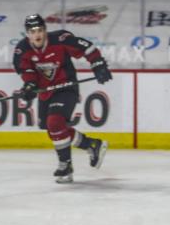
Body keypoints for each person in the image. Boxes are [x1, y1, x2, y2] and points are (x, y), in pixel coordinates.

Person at [13, 14, 112, 183]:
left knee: (55, 122)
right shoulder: (22, 50)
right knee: (53, 130)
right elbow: (26, 70)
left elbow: (86, 47)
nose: (37, 34)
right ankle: (91, 145)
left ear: (45, 30)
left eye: (39, 30)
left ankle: (65, 166)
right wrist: (29, 86)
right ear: (27, 33)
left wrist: (98, 64)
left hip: (66, 88)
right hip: (46, 92)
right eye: (32, 31)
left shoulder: (60, 39)